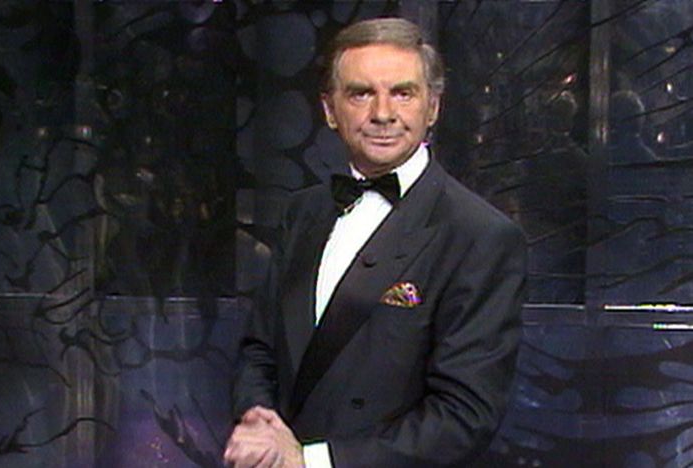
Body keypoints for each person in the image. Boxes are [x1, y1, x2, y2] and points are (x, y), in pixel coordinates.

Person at [224, 17, 527, 468]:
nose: (383, 113)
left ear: (432, 108)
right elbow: (260, 347)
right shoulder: (302, 212)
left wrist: (312, 462)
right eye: (361, 93)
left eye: (402, 93)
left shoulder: (481, 236)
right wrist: (258, 420)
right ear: (330, 110)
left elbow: (464, 416)